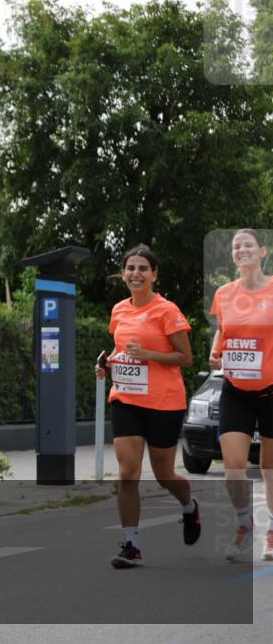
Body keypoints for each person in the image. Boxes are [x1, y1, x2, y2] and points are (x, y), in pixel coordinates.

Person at [95, 244, 200, 568]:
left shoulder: (166, 310)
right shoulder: (118, 311)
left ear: (154, 275)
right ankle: (132, 545)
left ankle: (189, 506)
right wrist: (107, 366)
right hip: (126, 398)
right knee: (128, 473)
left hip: (163, 402)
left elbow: (186, 357)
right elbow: (122, 350)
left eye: (143, 268)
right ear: (123, 274)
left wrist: (150, 356)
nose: (136, 273)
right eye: (130, 268)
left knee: (164, 474)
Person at [209, 228, 273, 562]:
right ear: (233, 255)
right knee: (233, 466)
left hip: (271, 390)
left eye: (248, 245)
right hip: (235, 389)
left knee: (270, 466)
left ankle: (272, 530)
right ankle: (245, 523)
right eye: (236, 246)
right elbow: (222, 330)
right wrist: (214, 352)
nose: (242, 249)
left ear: (262, 252)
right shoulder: (223, 293)